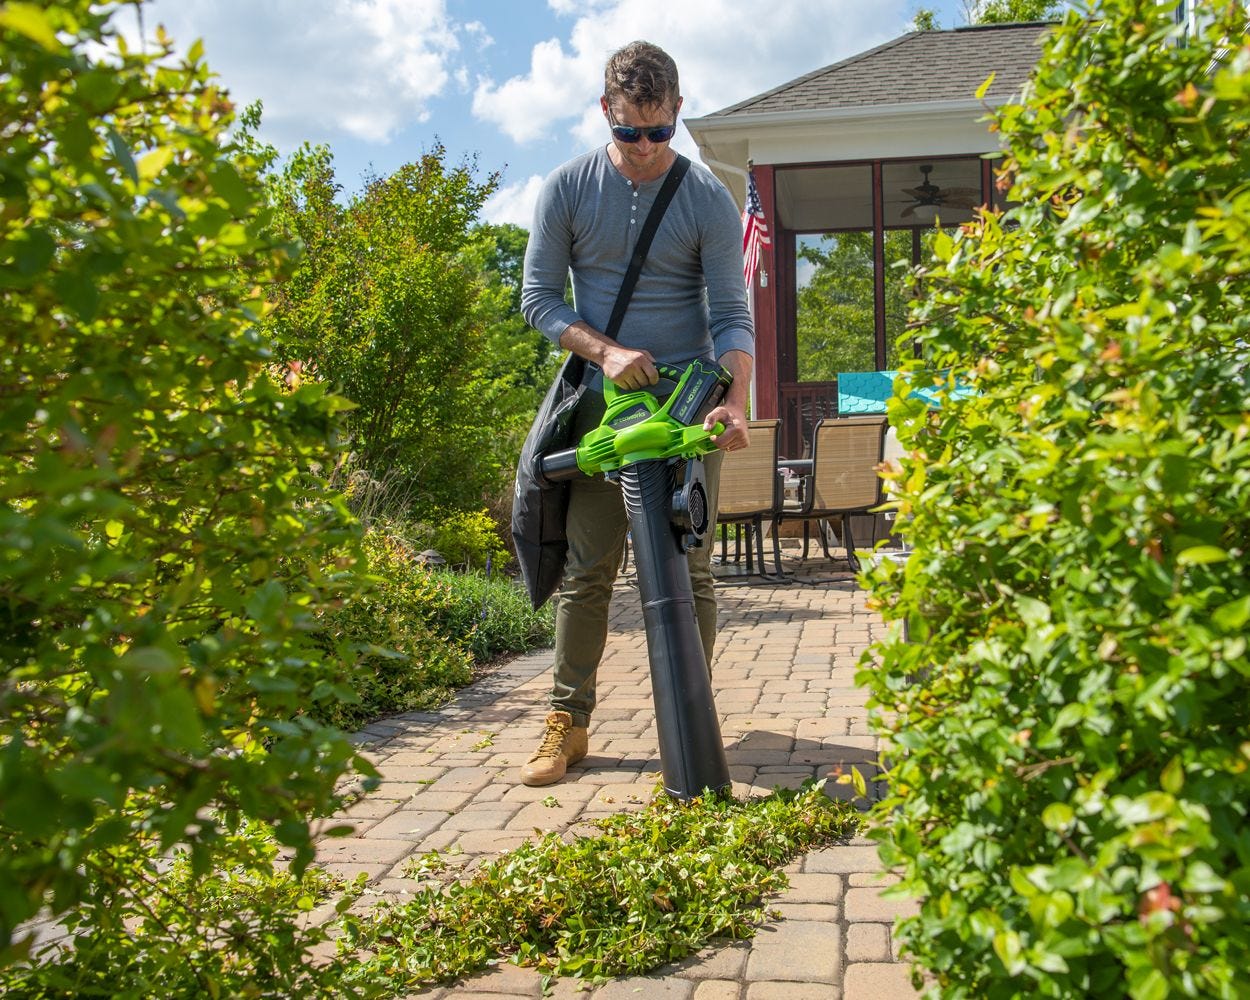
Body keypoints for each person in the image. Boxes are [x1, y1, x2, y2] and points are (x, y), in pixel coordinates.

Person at [518, 40, 754, 786]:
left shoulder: (706, 197)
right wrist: (607, 351)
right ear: (605, 114)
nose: (646, 149)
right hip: (604, 409)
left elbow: (731, 312)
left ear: (678, 113)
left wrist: (737, 401)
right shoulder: (566, 188)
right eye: (629, 133)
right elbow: (539, 301)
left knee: (694, 569)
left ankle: (692, 720)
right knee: (590, 569)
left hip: (688, 406)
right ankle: (568, 720)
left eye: (660, 132)